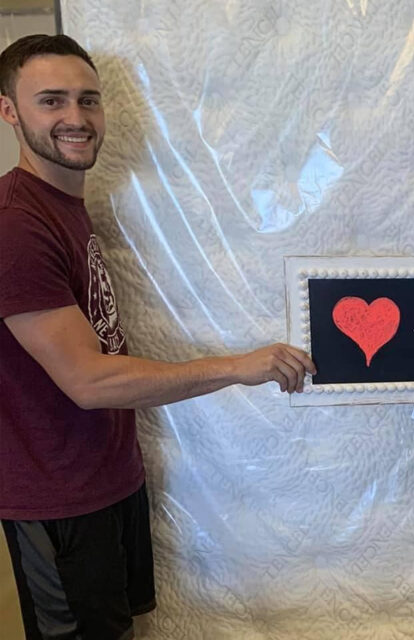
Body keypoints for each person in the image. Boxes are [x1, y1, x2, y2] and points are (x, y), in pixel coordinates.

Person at [0, 34, 316, 639]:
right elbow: (89, 381)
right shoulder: (17, 225)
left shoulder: (63, 206)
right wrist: (234, 367)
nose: (75, 117)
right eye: (52, 101)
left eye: (88, 100)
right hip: (58, 498)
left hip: (108, 478)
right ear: (10, 110)